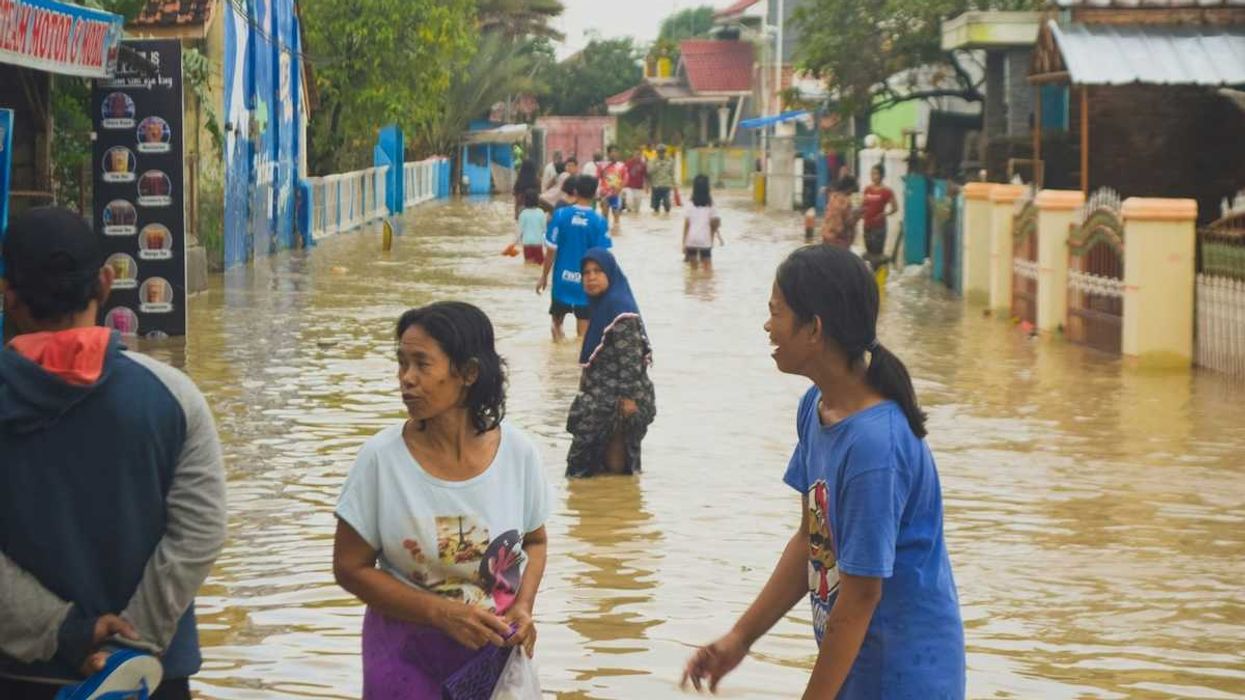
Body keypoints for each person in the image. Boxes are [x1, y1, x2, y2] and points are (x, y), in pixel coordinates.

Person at [681, 244, 964, 699]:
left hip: (905, 679)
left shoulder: (876, 447)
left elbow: (861, 596)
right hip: (856, 669)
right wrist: (740, 639)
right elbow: (811, 540)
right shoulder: (816, 407)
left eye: (776, 313)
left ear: (814, 329)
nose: (767, 326)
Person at [0, 207, 227, 699]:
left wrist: (65, 630)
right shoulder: (172, 396)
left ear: (8, 294)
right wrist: (130, 644)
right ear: (105, 283)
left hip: (18, 676)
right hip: (148, 678)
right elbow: (200, 533)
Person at [334, 302, 550, 698]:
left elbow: (535, 542)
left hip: (492, 655)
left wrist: (523, 606)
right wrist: (439, 612)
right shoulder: (381, 461)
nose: (406, 379)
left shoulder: (518, 454)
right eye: (402, 364)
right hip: (404, 656)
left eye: (421, 364)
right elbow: (349, 568)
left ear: (468, 373)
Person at [566, 249, 655, 478]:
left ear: (610, 274)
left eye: (597, 271)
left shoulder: (619, 310)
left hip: (617, 405)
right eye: (586, 272)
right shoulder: (603, 307)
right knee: (596, 467)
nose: (591, 277)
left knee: (613, 467)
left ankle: (616, 508)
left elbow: (631, 359)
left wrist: (627, 401)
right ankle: (607, 507)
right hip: (600, 400)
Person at [537, 176, 612, 341]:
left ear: (576, 191)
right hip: (586, 283)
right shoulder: (599, 221)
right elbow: (603, 258)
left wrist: (544, 276)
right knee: (583, 336)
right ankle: (577, 365)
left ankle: (556, 363)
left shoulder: (561, 215)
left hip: (561, 282)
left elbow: (551, 250)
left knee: (556, 326)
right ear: (595, 194)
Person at [682, 174, 721, 271]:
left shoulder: (690, 204)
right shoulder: (711, 205)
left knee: (693, 272)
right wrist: (713, 238)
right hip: (704, 240)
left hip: (691, 240)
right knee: (707, 272)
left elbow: (687, 224)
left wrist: (684, 243)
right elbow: (715, 222)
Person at [861, 165, 897, 259]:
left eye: (875, 173)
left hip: (879, 227)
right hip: (867, 226)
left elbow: (895, 208)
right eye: (871, 174)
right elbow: (863, 205)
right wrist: (861, 213)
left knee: (877, 255)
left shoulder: (887, 191)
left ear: (881, 175)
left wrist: (885, 214)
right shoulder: (867, 189)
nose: (873, 176)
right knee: (869, 253)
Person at [820, 179, 860, 249]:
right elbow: (848, 222)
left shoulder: (833, 197)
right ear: (850, 189)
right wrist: (857, 215)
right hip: (839, 240)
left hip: (827, 236)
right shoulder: (845, 201)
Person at [597, 145, 627, 229]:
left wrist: (620, 188)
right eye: (612, 152)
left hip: (616, 194)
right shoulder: (602, 165)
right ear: (608, 153)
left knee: (616, 213)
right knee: (604, 214)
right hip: (604, 194)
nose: (614, 154)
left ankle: (616, 230)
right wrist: (597, 192)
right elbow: (597, 178)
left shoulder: (622, 166)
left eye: (616, 152)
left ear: (618, 153)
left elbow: (625, 179)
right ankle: (604, 230)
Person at [514, 189, 546, 265]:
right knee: (539, 264)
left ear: (525, 201)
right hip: (538, 242)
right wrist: (546, 243)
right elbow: (544, 229)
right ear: (537, 200)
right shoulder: (541, 212)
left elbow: (519, 231)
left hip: (527, 243)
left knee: (528, 263)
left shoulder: (523, 214)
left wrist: (515, 242)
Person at [648, 145, 676, 214]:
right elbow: (649, 172)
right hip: (656, 186)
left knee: (667, 204)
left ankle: (667, 216)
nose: (661, 154)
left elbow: (672, 173)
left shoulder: (670, 161)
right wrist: (656, 166)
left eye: (663, 152)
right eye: (659, 152)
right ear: (657, 152)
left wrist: (674, 184)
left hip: (666, 186)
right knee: (656, 207)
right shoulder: (652, 161)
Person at [624, 147, 648, 216]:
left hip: (639, 188)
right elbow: (623, 173)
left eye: (638, 154)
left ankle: (635, 218)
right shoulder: (628, 163)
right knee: (629, 201)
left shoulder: (643, 164)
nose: (637, 156)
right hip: (629, 187)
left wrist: (647, 187)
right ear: (633, 155)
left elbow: (645, 176)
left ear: (640, 155)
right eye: (636, 154)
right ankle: (629, 213)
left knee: (637, 208)